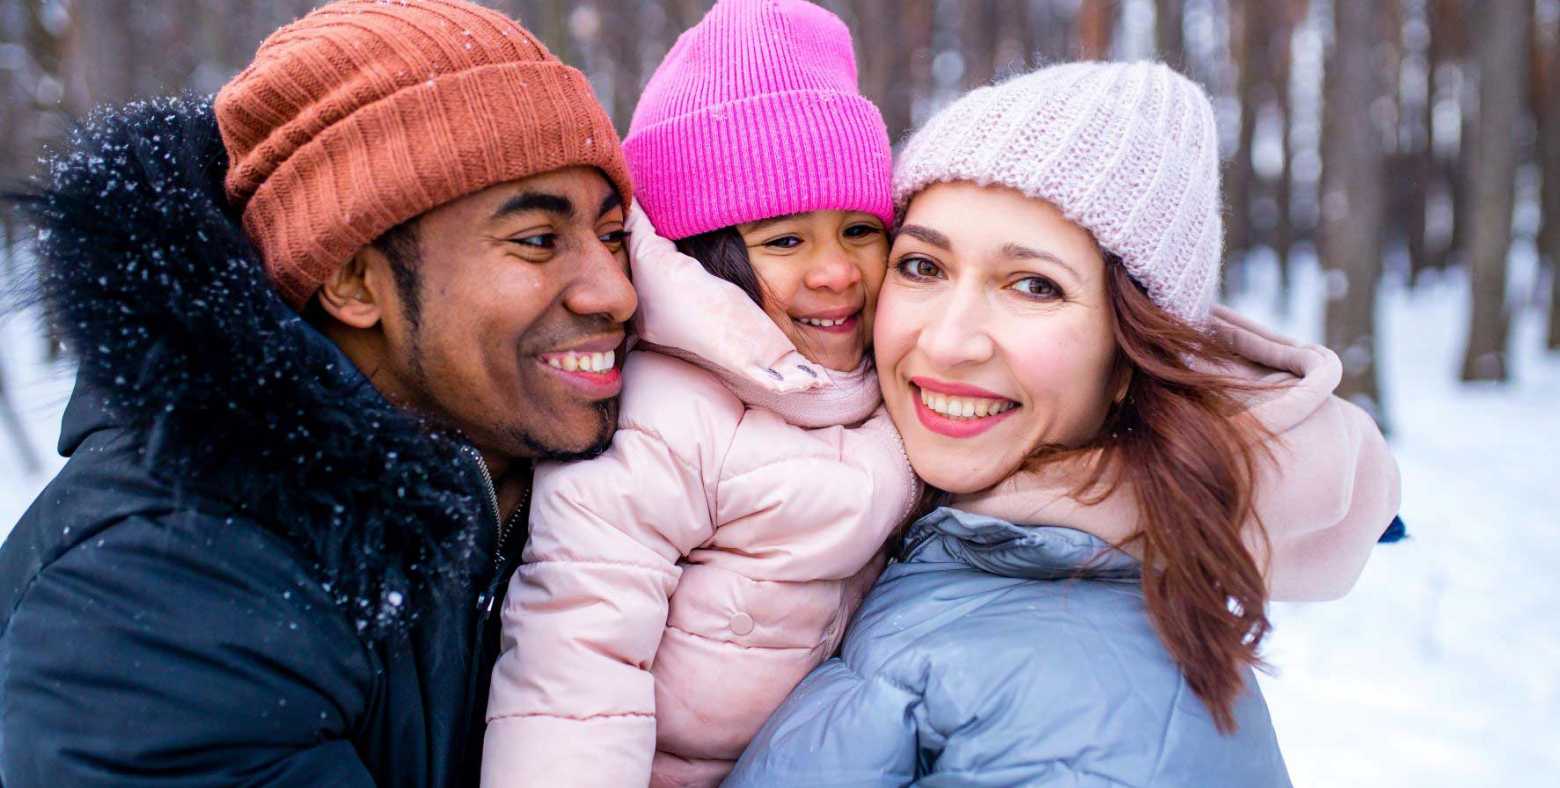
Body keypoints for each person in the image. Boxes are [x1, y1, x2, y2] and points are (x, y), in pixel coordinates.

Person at [0, 1, 636, 785]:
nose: (615, 292)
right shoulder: (166, 592)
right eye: (537, 240)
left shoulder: (592, 483)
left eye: (613, 236)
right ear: (350, 280)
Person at [727, 61, 1401, 786]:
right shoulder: (919, 536)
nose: (950, 341)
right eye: (923, 267)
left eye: (1034, 286)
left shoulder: (1091, 722)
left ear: (1128, 358)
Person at [480, 1, 918, 786]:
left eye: (860, 229)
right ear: (707, 257)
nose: (836, 271)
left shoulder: (893, 378)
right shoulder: (662, 415)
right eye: (784, 240)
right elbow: (577, 660)